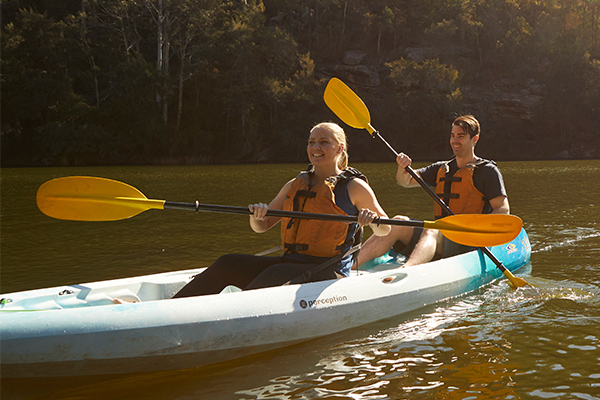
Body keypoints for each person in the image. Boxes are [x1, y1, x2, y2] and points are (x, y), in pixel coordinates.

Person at [172, 122, 391, 298]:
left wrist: (371, 220)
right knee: (228, 262)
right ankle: (173, 310)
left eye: (324, 142)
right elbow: (262, 226)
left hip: (328, 271)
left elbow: (385, 229)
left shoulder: (354, 187)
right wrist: (257, 215)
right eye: (311, 142)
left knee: (275, 273)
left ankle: (228, 319)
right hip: (291, 262)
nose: (316, 148)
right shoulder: (294, 185)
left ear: (340, 148)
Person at [356, 114, 510, 267]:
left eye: (461, 136)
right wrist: (401, 167)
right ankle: (349, 268)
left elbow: (503, 210)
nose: (455, 141)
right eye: (453, 136)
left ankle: (406, 270)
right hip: (441, 238)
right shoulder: (442, 168)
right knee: (398, 222)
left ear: (474, 139)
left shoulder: (487, 171)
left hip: (468, 241)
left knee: (432, 229)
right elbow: (405, 181)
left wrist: (475, 228)